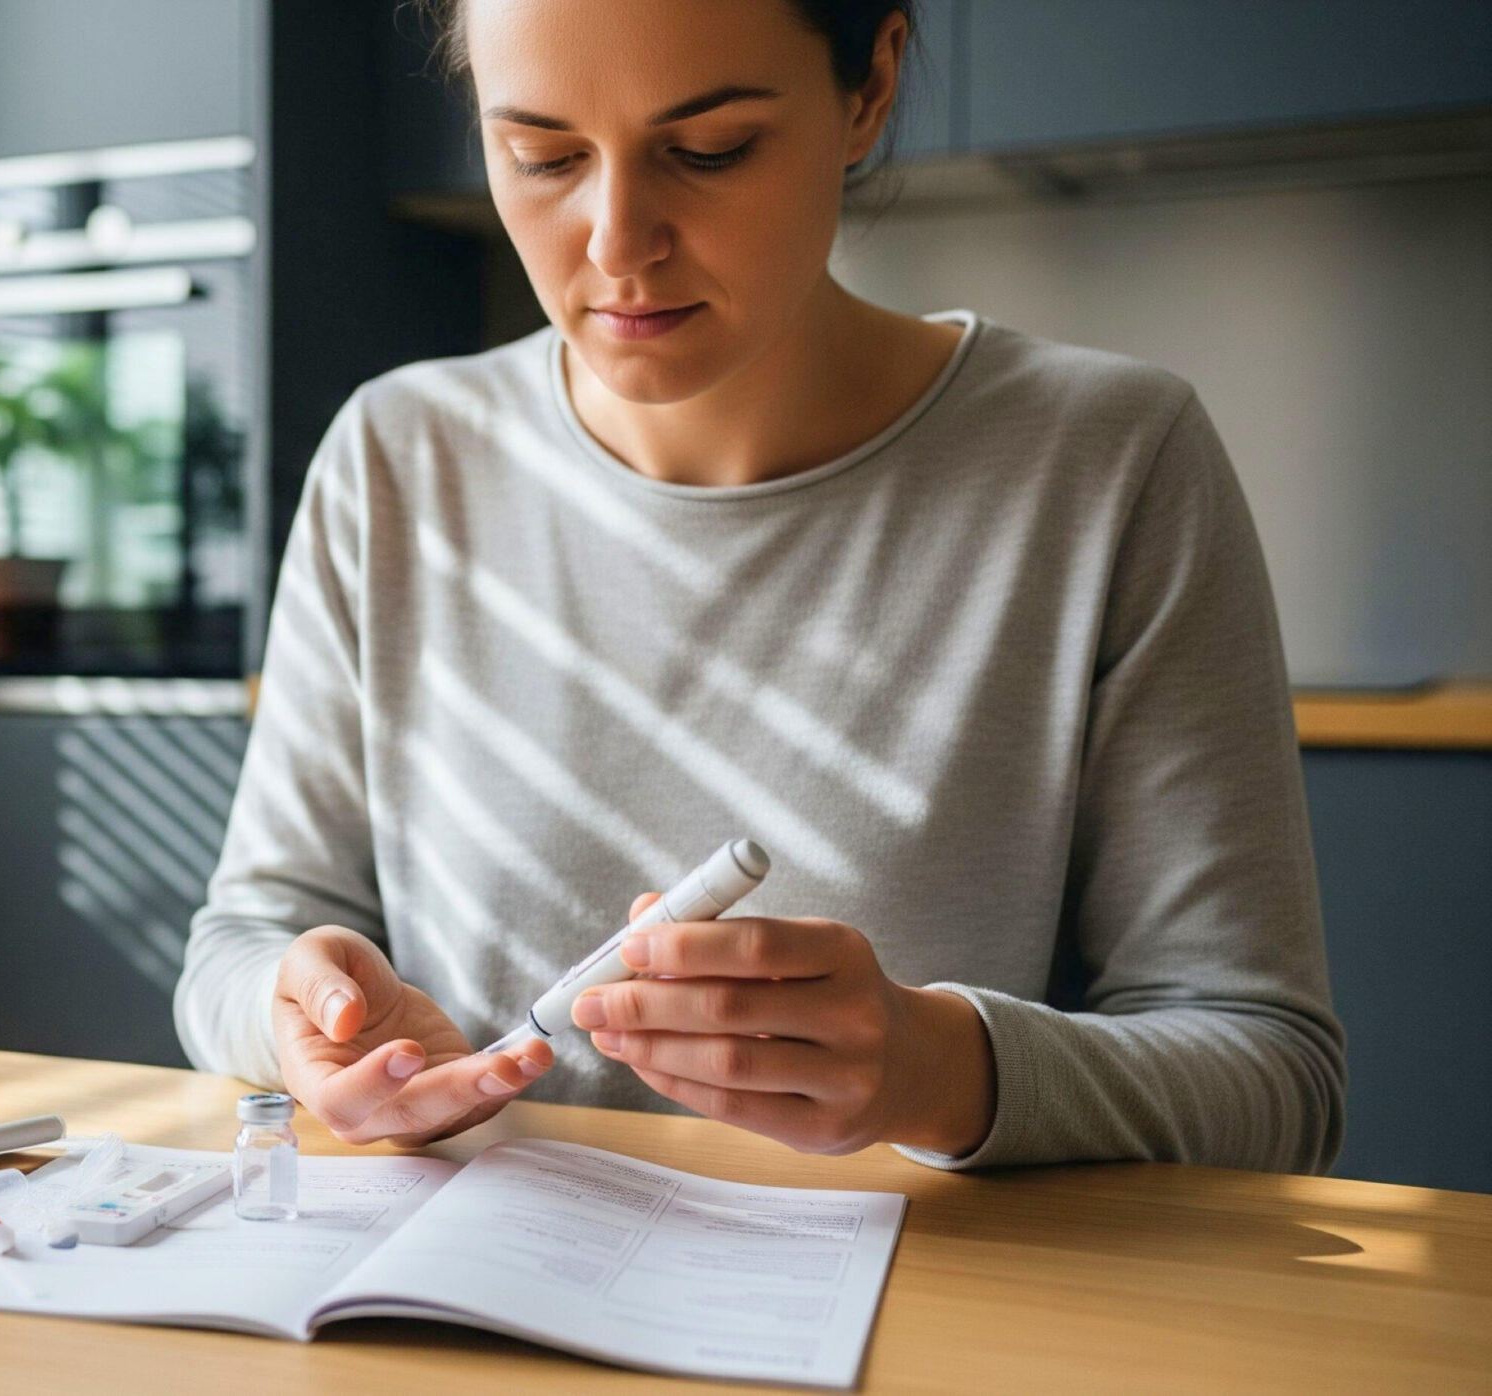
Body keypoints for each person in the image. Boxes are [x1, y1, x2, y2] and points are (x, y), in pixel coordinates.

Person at [173, 0, 1345, 1171]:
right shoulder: (397, 455)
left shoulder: (1107, 459)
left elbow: (1274, 1079)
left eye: (709, 150)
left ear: (869, 85)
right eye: (543, 156)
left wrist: (939, 1068)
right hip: (452, 1314)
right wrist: (301, 1022)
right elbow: (238, 945)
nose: (617, 242)